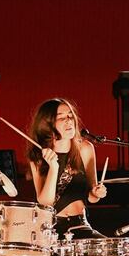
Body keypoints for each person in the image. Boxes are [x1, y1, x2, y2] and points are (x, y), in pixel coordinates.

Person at [27, 98, 107, 238]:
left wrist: (97, 193)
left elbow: (92, 197)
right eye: (61, 117)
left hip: (81, 224)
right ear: (48, 123)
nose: (69, 120)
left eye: (70, 115)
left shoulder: (85, 148)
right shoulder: (38, 155)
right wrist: (53, 167)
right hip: (51, 229)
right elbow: (46, 202)